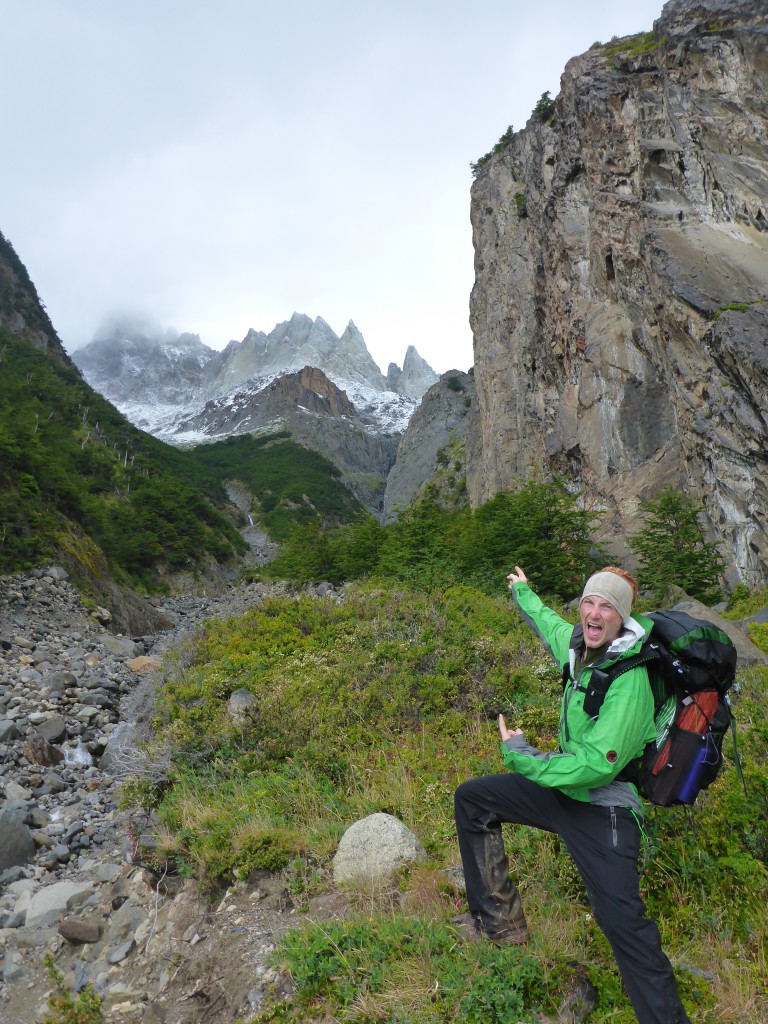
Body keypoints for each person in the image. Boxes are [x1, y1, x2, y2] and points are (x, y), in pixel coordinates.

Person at [453, 565, 691, 1024]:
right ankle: (500, 926)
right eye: (589, 602)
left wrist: (523, 755)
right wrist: (523, 592)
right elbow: (548, 624)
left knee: (623, 925)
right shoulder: (579, 645)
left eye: (607, 606)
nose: (595, 613)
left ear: (622, 618)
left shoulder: (631, 679)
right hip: (562, 791)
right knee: (474, 800)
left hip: (604, 811)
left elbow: (597, 762)